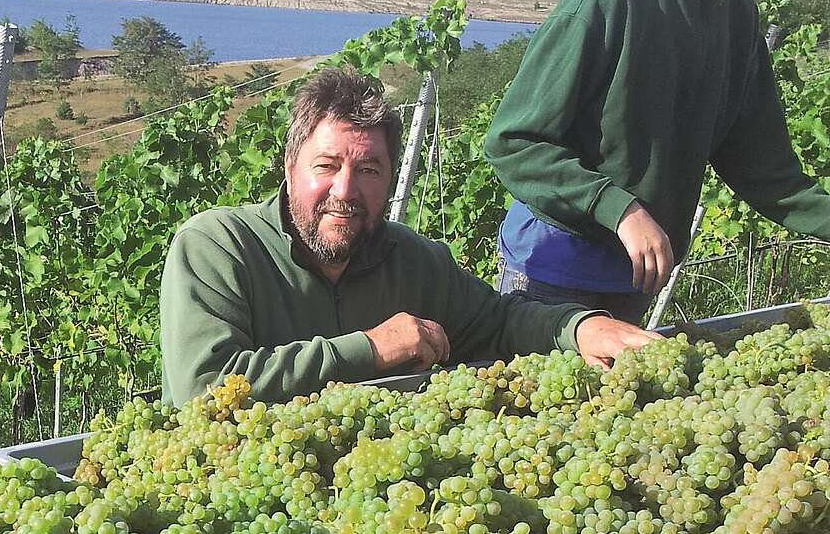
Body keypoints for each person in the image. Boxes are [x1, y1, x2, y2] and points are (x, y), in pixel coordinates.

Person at [484, 0, 830, 324]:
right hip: (550, 274)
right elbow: (513, 143)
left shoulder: (738, 21)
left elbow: (766, 170)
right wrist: (621, 210)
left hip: (636, 278)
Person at [159, 67, 658, 406]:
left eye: (370, 170)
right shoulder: (217, 246)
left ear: (393, 180)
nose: (345, 190)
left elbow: (500, 321)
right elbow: (204, 389)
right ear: (290, 169)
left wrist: (578, 328)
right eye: (326, 166)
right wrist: (371, 350)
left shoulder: (412, 261)